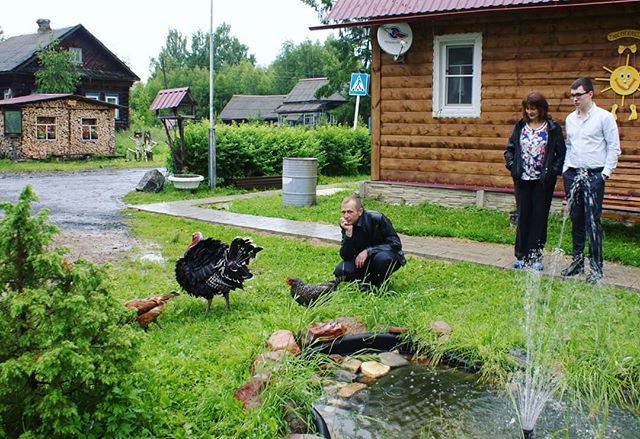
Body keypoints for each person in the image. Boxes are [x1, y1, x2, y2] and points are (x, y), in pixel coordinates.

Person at [561, 77, 621, 284]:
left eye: (578, 95)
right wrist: (565, 170)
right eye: (572, 95)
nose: (575, 99)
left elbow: (614, 147)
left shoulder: (604, 118)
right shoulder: (570, 119)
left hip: (595, 175)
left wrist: (604, 174)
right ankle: (577, 262)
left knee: (592, 222)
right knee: (576, 219)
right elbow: (569, 146)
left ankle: (596, 268)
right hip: (573, 174)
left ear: (590, 94)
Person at [504, 92, 566, 270]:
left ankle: (536, 256)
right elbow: (509, 150)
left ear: (541, 109)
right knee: (523, 216)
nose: (530, 111)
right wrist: (513, 166)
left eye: (534, 108)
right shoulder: (521, 126)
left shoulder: (552, 128)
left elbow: (560, 155)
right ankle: (521, 256)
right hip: (522, 180)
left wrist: (552, 172)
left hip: (542, 182)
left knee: (539, 218)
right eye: (528, 108)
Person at [333, 194, 406, 289]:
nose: (346, 216)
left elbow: (396, 244)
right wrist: (348, 234)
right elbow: (346, 256)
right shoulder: (346, 224)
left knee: (382, 259)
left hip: (384, 255)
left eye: (350, 212)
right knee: (340, 270)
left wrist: (368, 251)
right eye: (343, 212)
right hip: (362, 262)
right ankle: (368, 281)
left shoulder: (377, 218)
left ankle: (379, 284)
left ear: (360, 212)